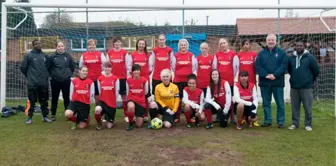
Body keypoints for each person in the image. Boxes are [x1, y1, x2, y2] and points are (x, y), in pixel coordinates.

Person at [255, 34, 288, 128]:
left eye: (273, 40)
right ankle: (267, 120)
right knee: (266, 103)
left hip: (277, 82)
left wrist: (275, 75)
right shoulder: (261, 54)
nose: (271, 42)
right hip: (265, 82)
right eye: (269, 40)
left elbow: (283, 66)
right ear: (266, 41)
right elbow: (258, 66)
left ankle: (281, 121)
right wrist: (266, 75)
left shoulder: (282, 53)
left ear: (276, 41)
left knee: (280, 103)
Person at [287, 41, 320, 131]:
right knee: (294, 107)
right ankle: (295, 123)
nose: (299, 47)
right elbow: (290, 70)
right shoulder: (291, 58)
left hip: (306, 87)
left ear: (304, 47)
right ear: (295, 47)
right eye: (297, 46)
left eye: (301, 46)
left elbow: (316, 71)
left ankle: (308, 124)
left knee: (307, 106)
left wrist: (309, 80)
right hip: (294, 87)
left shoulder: (310, 57)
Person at [20, 39, 51, 124]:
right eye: (36, 44)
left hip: (43, 83)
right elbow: (23, 68)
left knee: (44, 101)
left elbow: (48, 67)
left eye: (39, 43)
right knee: (32, 101)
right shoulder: (28, 55)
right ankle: (29, 118)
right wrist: (30, 76)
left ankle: (45, 116)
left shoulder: (45, 56)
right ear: (33, 45)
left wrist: (44, 76)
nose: (38, 45)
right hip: (32, 83)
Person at [171, 39, 197, 123]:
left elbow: (194, 68)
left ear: (187, 46)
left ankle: (191, 116)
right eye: (181, 45)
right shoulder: (175, 56)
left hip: (188, 82)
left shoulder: (191, 55)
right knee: (177, 100)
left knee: (190, 99)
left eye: (184, 45)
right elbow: (173, 68)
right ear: (179, 46)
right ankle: (176, 117)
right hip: (178, 81)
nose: (183, 46)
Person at [213, 38, 239, 124]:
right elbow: (215, 67)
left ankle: (232, 117)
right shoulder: (217, 55)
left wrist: (232, 77)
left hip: (229, 81)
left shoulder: (233, 54)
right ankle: (218, 115)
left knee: (230, 99)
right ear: (219, 46)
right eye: (221, 44)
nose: (223, 45)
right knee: (218, 98)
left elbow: (236, 68)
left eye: (224, 43)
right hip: (219, 82)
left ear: (227, 44)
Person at [48, 40, 74, 121]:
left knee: (66, 98)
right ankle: (53, 114)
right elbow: (48, 68)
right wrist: (53, 76)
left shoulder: (68, 56)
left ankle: (68, 114)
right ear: (56, 47)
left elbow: (72, 68)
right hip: (55, 81)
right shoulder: (52, 57)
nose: (60, 47)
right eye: (58, 46)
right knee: (54, 98)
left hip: (66, 80)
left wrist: (67, 75)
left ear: (64, 47)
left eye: (61, 46)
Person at [126, 39, 151, 122]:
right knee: (134, 95)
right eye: (139, 44)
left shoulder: (148, 55)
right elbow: (129, 66)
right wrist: (134, 75)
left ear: (145, 45)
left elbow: (150, 67)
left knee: (145, 96)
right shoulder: (132, 55)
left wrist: (145, 76)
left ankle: (145, 115)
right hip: (135, 78)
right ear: (137, 45)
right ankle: (133, 115)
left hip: (145, 78)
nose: (141, 45)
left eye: (143, 44)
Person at [107, 37, 129, 122]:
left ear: (121, 43)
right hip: (113, 78)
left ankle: (126, 115)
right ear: (113, 44)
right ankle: (109, 116)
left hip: (122, 78)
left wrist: (127, 76)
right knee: (111, 97)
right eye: (115, 42)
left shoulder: (124, 52)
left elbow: (127, 65)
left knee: (124, 97)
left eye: (118, 42)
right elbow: (108, 65)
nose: (117, 44)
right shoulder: (110, 53)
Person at [94, 61, 119, 130]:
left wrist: (113, 100)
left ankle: (110, 120)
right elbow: (99, 91)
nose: (107, 69)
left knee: (108, 126)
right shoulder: (99, 79)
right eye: (106, 67)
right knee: (97, 110)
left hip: (111, 103)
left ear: (111, 68)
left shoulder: (116, 79)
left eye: (109, 67)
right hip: (102, 102)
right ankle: (99, 123)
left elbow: (116, 92)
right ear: (103, 68)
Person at [125, 64, 149, 131]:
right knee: (131, 106)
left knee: (139, 125)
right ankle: (131, 123)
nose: (136, 72)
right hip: (131, 100)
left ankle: (137, 116)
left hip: (140, 102)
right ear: (132, 71)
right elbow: (127, 92)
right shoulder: (128, 80)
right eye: (134, 70)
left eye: (137, 70)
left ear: (140, 71)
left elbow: (146, 92)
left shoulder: (144, 80)